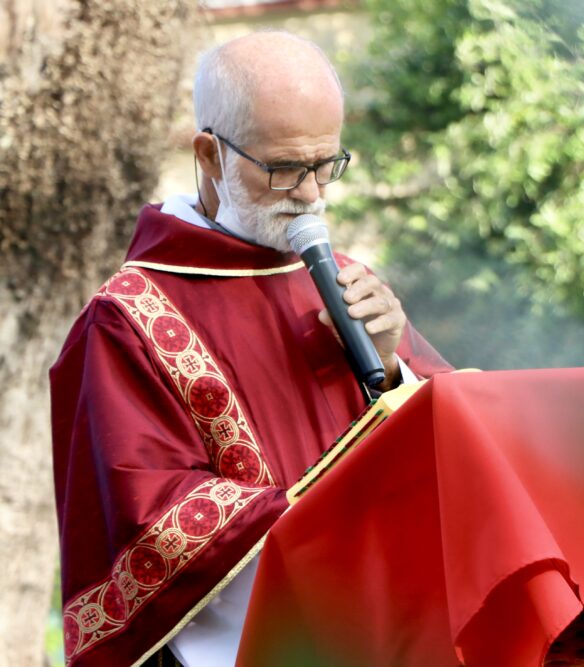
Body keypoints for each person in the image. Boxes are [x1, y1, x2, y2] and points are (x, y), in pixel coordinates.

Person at [49, 31, 452, 667]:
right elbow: (147, 520)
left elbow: (455, 439)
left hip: (395, 633)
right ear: (209, 155)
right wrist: (326, 521)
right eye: (285, 169)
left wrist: (392, 368)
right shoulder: (127, 319)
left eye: (326, 164)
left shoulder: (345, 279)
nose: (313, 194)